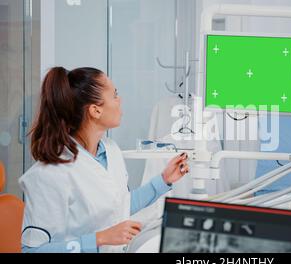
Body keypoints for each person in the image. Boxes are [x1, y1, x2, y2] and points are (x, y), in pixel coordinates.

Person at [20, 67, 189, 253]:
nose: (120, 100)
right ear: (95, 111)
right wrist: (100, 238)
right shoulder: (50, 173)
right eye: (115, 95)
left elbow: (118, 208)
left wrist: (163, 181)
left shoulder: (110, 151)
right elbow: (31, 251)